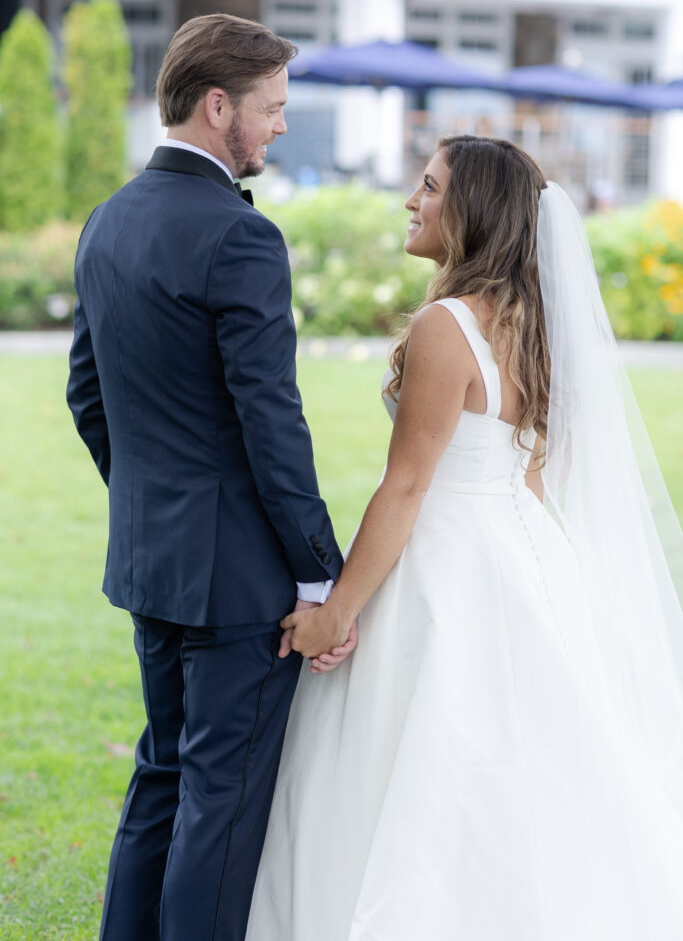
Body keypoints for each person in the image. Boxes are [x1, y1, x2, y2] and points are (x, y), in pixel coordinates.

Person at [246, 135, 683, 940]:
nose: (413, 201)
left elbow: (407, 485)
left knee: (423, 762)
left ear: (473, 210)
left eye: (430, 188)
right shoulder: (536, 324)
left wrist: (336, 612)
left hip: (447, 566)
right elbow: (530, 472)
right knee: (520, 760)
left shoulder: (446, 325)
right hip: (527, 556)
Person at [66, 13, 356, 941]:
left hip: (153, 562)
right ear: (216, 103)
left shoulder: (108, 220)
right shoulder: (241, 237)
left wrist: (157, 504)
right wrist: (321, 572)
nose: (279, 126)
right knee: (219, 806)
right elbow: (273, 422)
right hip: (237, 585)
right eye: (270, 109)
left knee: (162, 775)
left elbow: (86, 395)